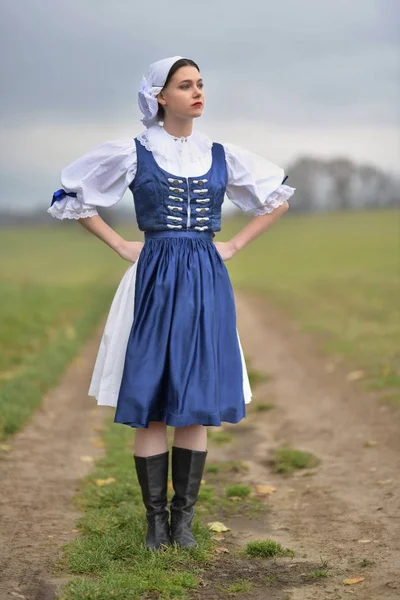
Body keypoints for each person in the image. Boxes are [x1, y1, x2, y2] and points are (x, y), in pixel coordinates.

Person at [48, 56, 295, 551]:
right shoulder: (135, 151)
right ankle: (154, 523)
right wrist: (121, 246)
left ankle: (183, 522)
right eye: (185, 85)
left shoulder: (220, 153)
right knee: (154, 403)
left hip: (206, 277)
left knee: (195, 404)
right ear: (160, 96)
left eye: (201, 84)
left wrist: (232, 246)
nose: (197, 92)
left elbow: (276, 199)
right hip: (155, 277)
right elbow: (71, 197)